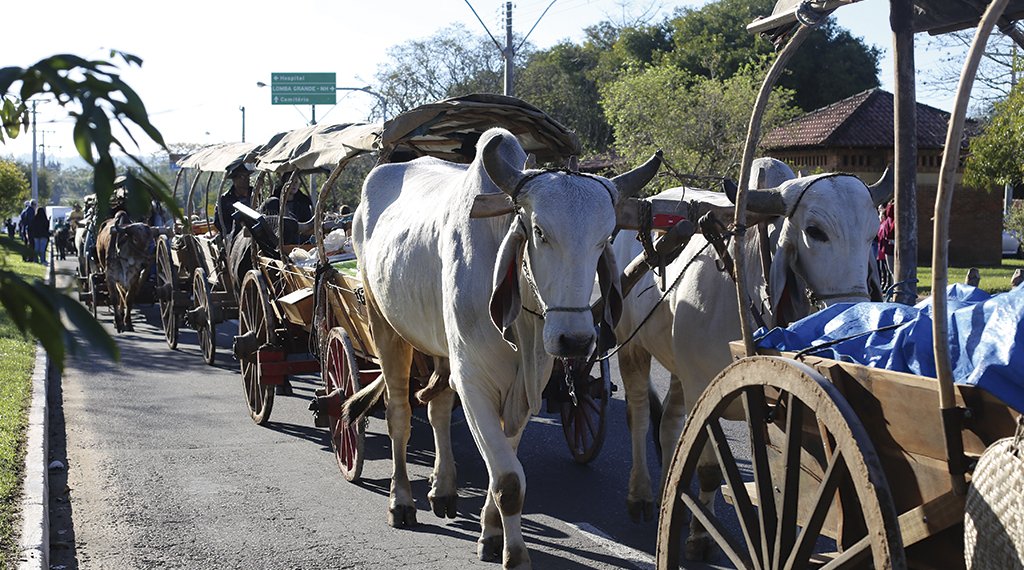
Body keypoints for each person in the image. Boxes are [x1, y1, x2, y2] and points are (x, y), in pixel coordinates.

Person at [214, 164, 253, 236]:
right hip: (233, 236)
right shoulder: (225, 199)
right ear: (234, 179)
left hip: (254, 233)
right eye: (242, 176)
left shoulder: (255, 194)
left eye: (247, 176)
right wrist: (232, 233)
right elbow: (219, 221)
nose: (246, 179)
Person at [877, 201, 895, 291]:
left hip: (890, 247)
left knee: (891, 271)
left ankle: (894, 288)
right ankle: (891, 287)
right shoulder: (887, 222)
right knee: (890, 270)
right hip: (887, 247)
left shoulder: (891, 221)